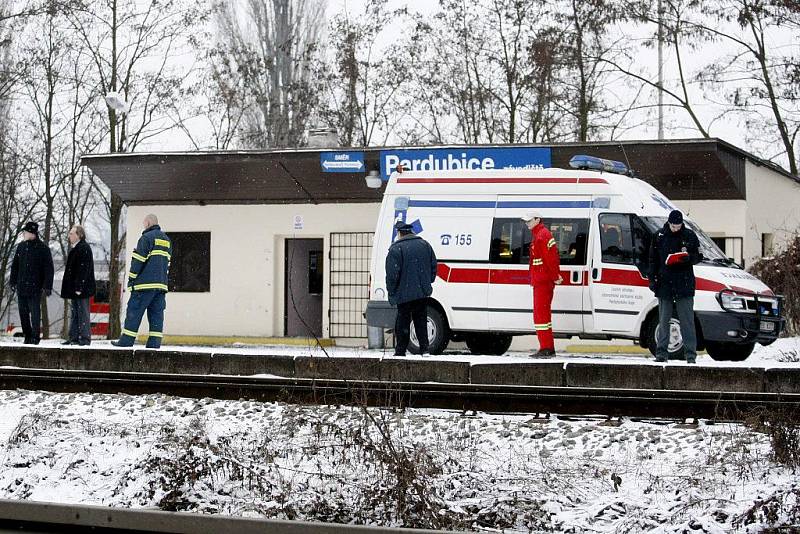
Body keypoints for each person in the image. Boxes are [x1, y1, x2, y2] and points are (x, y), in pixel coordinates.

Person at [648, 209, 702, 364]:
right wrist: (652, 280)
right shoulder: (659, 236)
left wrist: (688, 259)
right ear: (669, 223)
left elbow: (699, 256)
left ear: (681, 224)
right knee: (663, 320)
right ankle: (661, 353)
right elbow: (653, 260)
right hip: (664, 284)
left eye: (678, 226)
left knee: (687, 321)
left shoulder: (690, 236)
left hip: (684, 284)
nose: (675, 228)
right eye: (673, 226)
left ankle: (690, 354)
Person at [112, 214, 171, 349]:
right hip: (161, 286)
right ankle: (154, 343)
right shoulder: (167, 240)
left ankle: (126, 341)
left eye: (144, 223)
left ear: (148, 222)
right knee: (156, 314)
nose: (143, 225)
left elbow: (138, 261)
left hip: (144, 285)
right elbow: (168, 263)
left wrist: (132, 278)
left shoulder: (146, 238)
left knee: (134, 311)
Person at [385, 220, 437, 356]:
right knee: (421, 320)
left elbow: (392, 274)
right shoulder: (425, 245)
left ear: (400, 233)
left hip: (403, 294)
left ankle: (400, 350)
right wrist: (426, 283)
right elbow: (433, 267)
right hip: (421, 293)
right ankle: (424, 349)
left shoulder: (396, 249)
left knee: (403, 322)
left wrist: (392, 291)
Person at [523, 210, 562, 358]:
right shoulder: (541, 235)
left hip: (543, 281)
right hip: (542, 280)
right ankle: (547, 347)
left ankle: (546, 348)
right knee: (543, 315)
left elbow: (550, 259)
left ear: (538, 219)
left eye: (529, 220)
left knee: (541, 316)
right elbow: (551, 257)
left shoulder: (542, 236)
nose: (527, 224)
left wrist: (554, 276)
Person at [9, 221, 54, 345]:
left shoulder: (43, 248)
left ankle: (35, 336)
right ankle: (27, 335)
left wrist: (47, 286)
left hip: (35, 287)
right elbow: (15, 266)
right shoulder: (21, 247)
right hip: (22, 286)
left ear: (32, 233)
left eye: (26, 232)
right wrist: (12, 282)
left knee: (35, 313)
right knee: (23, 314)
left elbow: (48, 269)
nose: (24, 234)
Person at [61, 225, 96, 346]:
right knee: (75, 312)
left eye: (71, 233)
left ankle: (85, 338)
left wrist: (79, 287)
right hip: (76, 288)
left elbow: (84, 269)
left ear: (79, 235)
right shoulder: (76, 248)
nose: (69, 236)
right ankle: (74, 337)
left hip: (81, 289)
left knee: (82, 313)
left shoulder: (83, 248)